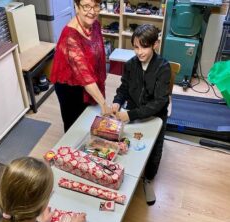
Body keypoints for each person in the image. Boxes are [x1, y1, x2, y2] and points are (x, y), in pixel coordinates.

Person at [111, 24, 171, 206]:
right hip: (133, 112)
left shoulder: (163, 67)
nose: (139, 52)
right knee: (124, 143)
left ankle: (148, 180)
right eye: (136, 47)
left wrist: (130, 115)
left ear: (155, 44)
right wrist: (117, 102)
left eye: (144, 46)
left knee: (154, 149)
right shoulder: (130, 65)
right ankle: (125, 174)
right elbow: (123, 88)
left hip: (155, 116)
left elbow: (160, 102)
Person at [50, 0, 111, 132]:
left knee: (90, 120)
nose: (92, 11)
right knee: (75, 126)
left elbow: (99, 54)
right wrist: (103, 103)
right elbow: (85, 77)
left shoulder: (95, 25)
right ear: (76, 7)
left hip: (89, 81)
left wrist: (101, 86)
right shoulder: (70, 36)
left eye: (96, 6)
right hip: (70, 87)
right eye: (86, 6)